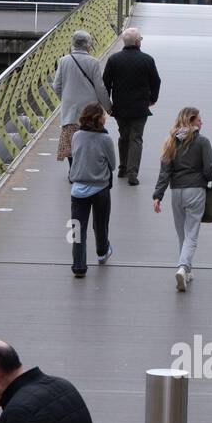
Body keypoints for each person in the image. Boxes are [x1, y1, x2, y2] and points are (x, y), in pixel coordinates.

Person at [152, 106, 212, 292]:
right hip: (195, 190)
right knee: (192, 234)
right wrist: (205, 178)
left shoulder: (171, 142)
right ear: (191, 121)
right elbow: (209, 166)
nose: (201, 122)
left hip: (176, 192)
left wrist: (158, 195)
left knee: (182, 233)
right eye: (199, 120)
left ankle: (187, 271)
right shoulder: (203, 141)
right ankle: (183, 268)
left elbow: (165, 171)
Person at [101, 26, 161, 186]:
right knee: (136, 139)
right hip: (140, 107)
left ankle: (122, 168)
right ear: (137, 42)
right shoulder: (147, 59)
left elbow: (105, 83)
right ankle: (132, 173)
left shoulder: (114, 59)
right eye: (140, 39)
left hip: (120, 107)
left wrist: (108, 104)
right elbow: (156, 81)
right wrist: (153, 98)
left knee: (123, 136)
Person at [67, 101, 117, 276]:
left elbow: (75, 155)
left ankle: (78, 265)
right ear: (99, 119)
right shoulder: (105, 139)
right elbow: (113, 165)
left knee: (77, 229)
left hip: (78, 188)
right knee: (100, 224)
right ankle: (102, 252)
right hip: (100, 189)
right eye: (104, 115)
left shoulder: (76, 136)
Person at [52, 30, 111, 164]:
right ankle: (85, 167)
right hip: (89, 109)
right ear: (88, 45)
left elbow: (56, 86)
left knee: (70, 139)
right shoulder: (93, 62)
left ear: (73, 44)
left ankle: (72, 169)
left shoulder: (63, 61)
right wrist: (108, 106)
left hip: (70, 108)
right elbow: (100, 88)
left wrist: (65, 97)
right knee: (88, 138)